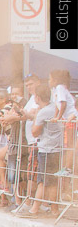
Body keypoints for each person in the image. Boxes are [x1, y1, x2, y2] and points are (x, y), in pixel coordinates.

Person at [27, 84, 64, 216]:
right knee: (52, 181)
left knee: (43, 180)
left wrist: (36, 116)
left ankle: (35, 208)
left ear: (38, 97)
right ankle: (54, 209)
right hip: (56, 148)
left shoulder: (43, 111)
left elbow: (35, 132)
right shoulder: (55, 107)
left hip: (47, 149)